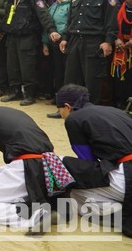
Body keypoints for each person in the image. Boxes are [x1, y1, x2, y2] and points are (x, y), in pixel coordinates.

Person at [0, 83, 72, 232]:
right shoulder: (15, 112)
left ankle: (34, 217)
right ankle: (50, 210)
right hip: (50, 166)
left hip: (27, 164)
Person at [55, 85, 132, 238]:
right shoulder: (115, 111)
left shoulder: (74, 120)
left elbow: (88, 164)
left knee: (67, 179)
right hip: (125, 170)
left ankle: (115, 214)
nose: (60, 114)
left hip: (127, 176)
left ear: (67, 107)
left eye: (60, 110)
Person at [59, 0, 119, 105]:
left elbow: (111, 20)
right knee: (71, 77)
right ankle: (68, 107)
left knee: (92, 79)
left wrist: (108, 41)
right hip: (74, 40)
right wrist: (65, 37)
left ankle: (90, 110)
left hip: (93, 41)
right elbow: (71, 18)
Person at [0, 0, 58, 106]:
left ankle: (30, 95)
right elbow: (7, 14)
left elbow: (43, 15)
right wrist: (0, 29)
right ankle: (15, 91)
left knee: (27, 67)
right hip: (12, 35)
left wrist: (51, 30)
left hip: (27, 36)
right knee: (12, 65)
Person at [45, 0, 73, 118]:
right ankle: (58, 99)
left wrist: (60, 34)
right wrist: (45, 42)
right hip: (53, 42)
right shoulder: (54, 6)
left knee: (65, 73)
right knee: (57, 72)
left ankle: (64, 103)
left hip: (64, 42)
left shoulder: (71, 6)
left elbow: (69, 23)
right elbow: (47, 24)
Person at [111, 0, 132, 108]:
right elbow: (111, 25)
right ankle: (121, 102)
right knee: (120, 77)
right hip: (120, 47)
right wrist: (116, 39)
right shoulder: (118, 10)